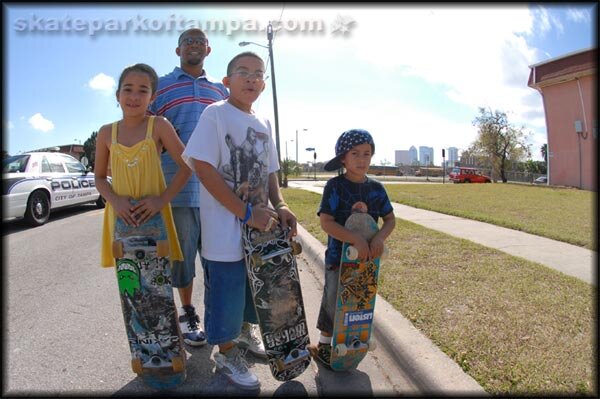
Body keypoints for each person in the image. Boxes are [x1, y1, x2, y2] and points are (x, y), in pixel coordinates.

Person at [182, 51, 298, 390]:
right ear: (227, 82)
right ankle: (227, 351)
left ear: (263, 84)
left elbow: (271, 170)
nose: (251, 78)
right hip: (226, 230)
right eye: (242, 72)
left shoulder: (263, 124)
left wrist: (281, 203)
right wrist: (246, 212)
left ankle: (245, 334)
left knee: (252, 287)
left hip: (260, 232)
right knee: (227, 289)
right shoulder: (215, 114)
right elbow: (202, 168)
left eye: (258, 73)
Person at [148, 28, 240, 348]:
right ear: (177, 51)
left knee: (218, 260)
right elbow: (146, 131)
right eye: (187, 41)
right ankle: (187, 312)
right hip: (179, 191)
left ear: (208, 49)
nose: (193, 45)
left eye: (199, 41)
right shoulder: (160, 87)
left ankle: (219, 320)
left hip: (218, 194)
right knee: (183, 260)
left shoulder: (219, 90)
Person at [308, 129, 396, 368]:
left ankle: (354, 343)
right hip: (339, 258)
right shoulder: (335, 187)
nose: (361, 159)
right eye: (355, 153)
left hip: (367, 261)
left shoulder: (376, 189)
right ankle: (324, 345)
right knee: (334, 299)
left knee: (360, 302)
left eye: (367, 153)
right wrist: (355, 239)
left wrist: (378, 239)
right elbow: (326, 222)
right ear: (343, 158)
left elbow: (390, 220)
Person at [95, 63, 191, 270]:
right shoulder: (105, 133)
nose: (134, 96)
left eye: (143, 91)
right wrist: (115, 200)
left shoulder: (159, 125)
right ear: (117, 94)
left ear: (152, 97)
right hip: (122, 216)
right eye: (128, 89)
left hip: (154, 215)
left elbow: (187, 166)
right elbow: (100, 178)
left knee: (158, 282)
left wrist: (161, 200)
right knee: (130, 282)